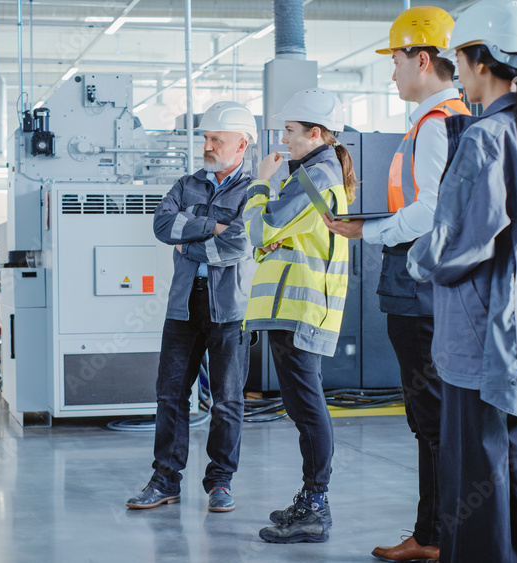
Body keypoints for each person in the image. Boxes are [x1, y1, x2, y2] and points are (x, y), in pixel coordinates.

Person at [406, 1, 517, 561]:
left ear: (477, 62)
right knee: (513, 464)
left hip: (481, 341)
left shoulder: (483, 139)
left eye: (459, 57)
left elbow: (458, 244)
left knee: (474, 472)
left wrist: (414, 260)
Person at [322, 7, 468, 562]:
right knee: (432, 414)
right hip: (431, 285)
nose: (392, 73)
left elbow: (430, 211)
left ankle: (434, 536)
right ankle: (435, 532)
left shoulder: (437, 125)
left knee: (429, 415)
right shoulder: (447, 120)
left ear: (423, 59)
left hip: (420, 285)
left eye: (397, 60)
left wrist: (367, 230)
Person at [126, 101, 258, 513]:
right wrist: (216, 227)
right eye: (206, 137)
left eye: (216, 138)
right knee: (170, 395)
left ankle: (220, 482)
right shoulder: (186, 184)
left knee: (227, 400)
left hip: (231, 310)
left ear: (241, 144)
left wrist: (194, 240)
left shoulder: (255, 191)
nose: (208, 144)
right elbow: (162, 226)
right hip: (183, 307)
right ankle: (165, 479)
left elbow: (239, 242)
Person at [242, 88, 355, 544]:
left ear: (315, 133)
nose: (283, 139)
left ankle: (315, 505)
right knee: (302, 407)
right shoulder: (313, 173)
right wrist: (274, 234)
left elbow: (262, 225)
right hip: (295, 306)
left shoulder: (314, 177)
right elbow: (278, 234)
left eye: (290, 131)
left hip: (302, 307)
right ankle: (311, 499)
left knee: (308, 409)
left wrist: (258, 182)